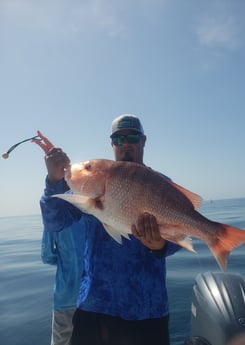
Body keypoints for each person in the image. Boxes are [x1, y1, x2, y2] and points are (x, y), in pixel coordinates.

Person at [34, 114, 182, 345]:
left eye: (132, 137)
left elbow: (179, 232)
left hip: (148, 308)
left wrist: (160, 246)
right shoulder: (94, 183)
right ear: (112, 144)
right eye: (118, 139)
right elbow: (56, 222)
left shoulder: (161, 183)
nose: (125, 144)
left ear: (143, 141)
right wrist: (54, 180)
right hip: (95, 305)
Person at [41, 219, 86, 345]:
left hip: (65, 296)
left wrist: (64, 262)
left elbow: (46, 256)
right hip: (90, 297)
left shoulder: (55, 215)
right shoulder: (92, 214)